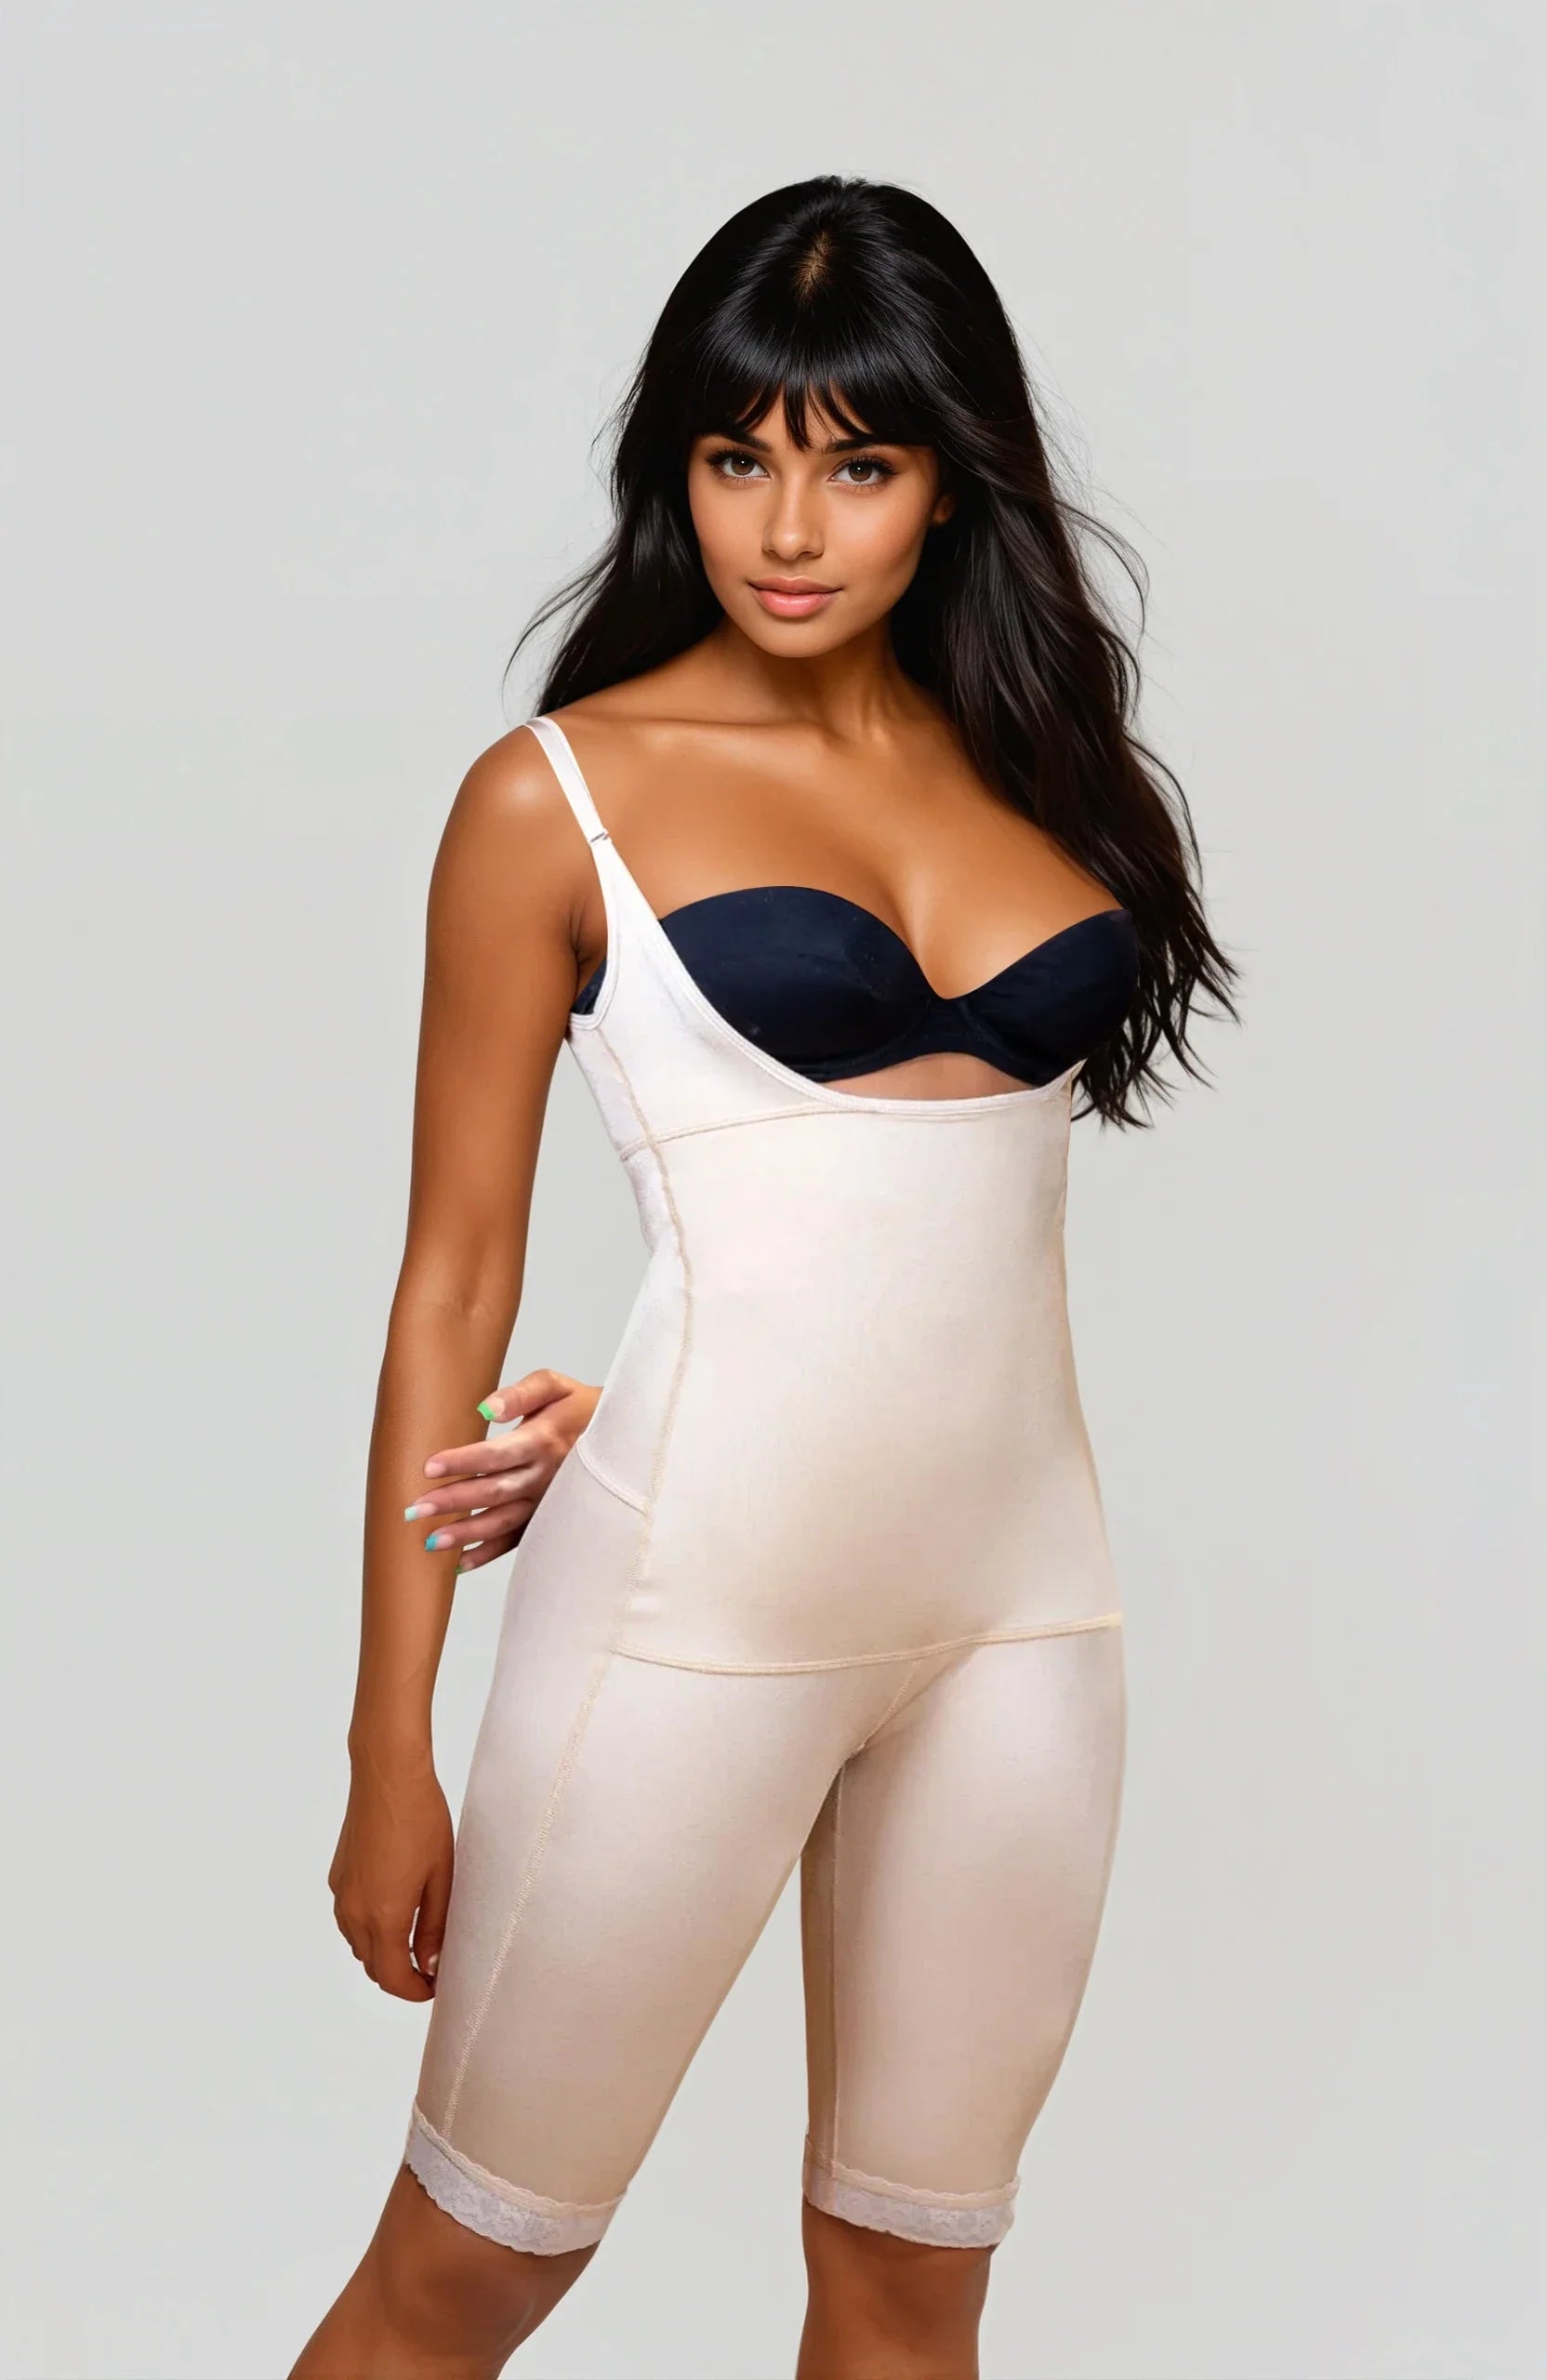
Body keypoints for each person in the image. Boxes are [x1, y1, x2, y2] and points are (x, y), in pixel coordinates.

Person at [291, 174, 1238, 2380]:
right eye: (738, 458)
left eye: (857, 463)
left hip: (1021, 1627)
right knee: (465, 2280)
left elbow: (905, 1255)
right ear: (678, 468)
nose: (788, 528)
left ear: (950, 480)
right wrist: (386, 1738)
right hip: (682, 1616)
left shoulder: (1041, 768)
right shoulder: (553, 799)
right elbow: (451, 1279)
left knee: (911, 2293)